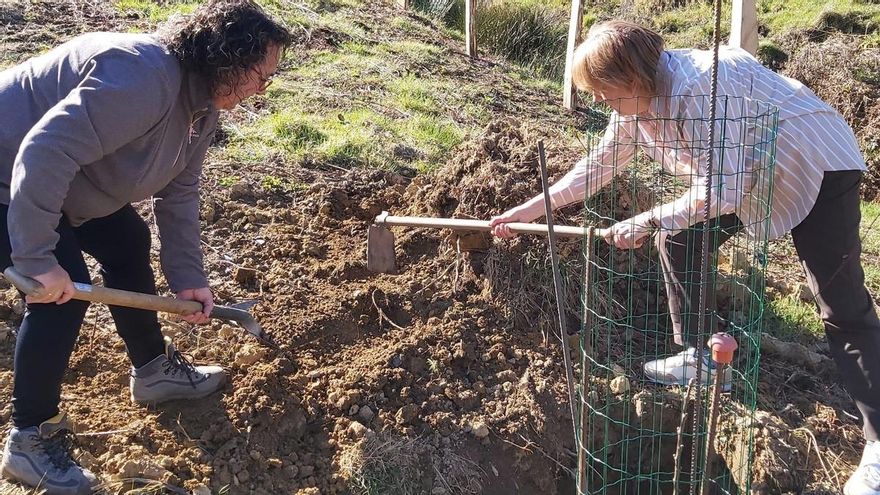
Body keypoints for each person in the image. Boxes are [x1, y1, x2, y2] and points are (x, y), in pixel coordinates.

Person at [489, 20, 880, 495]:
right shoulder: (635, 104)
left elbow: (723, 189)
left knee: (842, 308)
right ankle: (704, 358)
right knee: (678, 238)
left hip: (814, 163)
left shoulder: (702, 87)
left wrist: (648, 219)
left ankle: (878, 445)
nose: (599, 102)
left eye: (604, 92)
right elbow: (600, 165)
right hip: (750, 177)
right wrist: (531, 209)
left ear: (633, 79)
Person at [0, 1, 292, 492]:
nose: (262, 91)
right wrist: (36, 259)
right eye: (260, 76)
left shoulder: (201, 108)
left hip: (62, 182)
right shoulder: (143, 76)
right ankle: (28, 439)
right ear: (227, 57)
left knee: (127, 240)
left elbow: (180, 192)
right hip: (9, 178)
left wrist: (189, 280)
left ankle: (153, 370)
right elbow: (44, 150)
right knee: (60, 294)